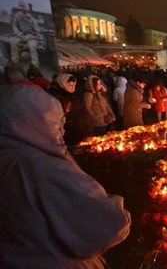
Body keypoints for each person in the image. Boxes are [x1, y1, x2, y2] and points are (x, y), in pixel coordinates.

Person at [0, 84, 131, 267]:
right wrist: (116, 206)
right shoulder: (44, 168)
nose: (62, 130)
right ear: (38, 122)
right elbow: (108, 225)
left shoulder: (9, 160)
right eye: (58, 122)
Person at [10, 0, 41, 68]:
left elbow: (37, 31)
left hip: (31, 37)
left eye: (23, 6)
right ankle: (15, 63)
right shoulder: (17, 15)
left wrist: (30, 36)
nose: (21, 7)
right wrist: (18, 33)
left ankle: (35, 66)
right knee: (13, 41)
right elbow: (15, 25)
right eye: (20, 6)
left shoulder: (31, 17)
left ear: (26, 7)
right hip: (22, 36)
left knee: (32, 45)